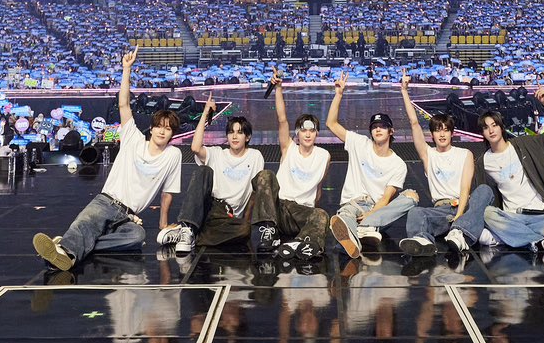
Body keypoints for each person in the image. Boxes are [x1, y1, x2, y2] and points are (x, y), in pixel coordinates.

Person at [33, 49, 182, 271]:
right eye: (159, 127)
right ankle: (66, 256)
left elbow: (168, 191)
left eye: (168, 129)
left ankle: (66, 245)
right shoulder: (133, 137)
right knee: (86, 222)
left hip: (129, 216)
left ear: (172, 134)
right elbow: (124, 105)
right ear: (151, 128)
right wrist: (127, 69)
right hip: (108, 201)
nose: (162, 132)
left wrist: (162, 223)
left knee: (136, 237)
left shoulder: (173, 155)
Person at [446, 85, 544, 256]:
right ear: (482, 132)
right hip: (512, 217)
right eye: (486, 127)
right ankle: (540, 241)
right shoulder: (484, 162)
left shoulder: (526, 145)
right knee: (488, 214)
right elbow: (481, 197)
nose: (491, 130)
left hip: (542, 214)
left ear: (501, 127)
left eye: (494, 125)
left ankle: (508, 239)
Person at [166, 98, 277, 256]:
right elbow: (195, 147)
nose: (234, 136)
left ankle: (193, 236)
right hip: (213, 208)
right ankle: (188, 228)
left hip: (230, 218)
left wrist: (246, 217)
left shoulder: (255, 156)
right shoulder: (217, 153)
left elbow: (254, 192)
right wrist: (205, 112)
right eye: (231, 132)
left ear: (248, 137)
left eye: (239, 132)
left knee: (244, 229)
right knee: (203, 171)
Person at [325, 72, 416, 259]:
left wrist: (371, 214)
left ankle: (362, 229)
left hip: (378, 210)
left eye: (382, 126)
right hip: (354, 202)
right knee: (345, 215)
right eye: (375, 127)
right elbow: (331, 124)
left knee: (411, 196)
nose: (378, 129)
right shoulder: (360, 143)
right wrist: (339, 94)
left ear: (391, 131)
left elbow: (386, 198)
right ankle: (358, 235)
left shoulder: (398, 164)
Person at [394, 72, 476, 256]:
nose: (442, 134)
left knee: (481, 195)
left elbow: (465, 189)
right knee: (416, 213)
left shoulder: (465, 154)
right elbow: (414, 123)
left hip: (461, 207)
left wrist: (459, 215)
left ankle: (459, 230)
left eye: (446, 130)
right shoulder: (428, 154)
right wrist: (404, 91)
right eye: (438, 131)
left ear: (452, 133)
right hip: (441, 211)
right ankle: (422, 241)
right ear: (432, 135)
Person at [271, 76, 333, 263]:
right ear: (297, 132)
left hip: (301, 213)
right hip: (282, 208)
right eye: (303, 130)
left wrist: (312, 214)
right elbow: (282, 119)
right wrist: (279, 89)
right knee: (265, 177)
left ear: (316, 133)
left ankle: (299, 243)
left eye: (311, 130)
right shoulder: (288, 148)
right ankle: (271, 231)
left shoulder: (324, 156)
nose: (307, 134)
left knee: (321, 214)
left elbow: (318, 189)